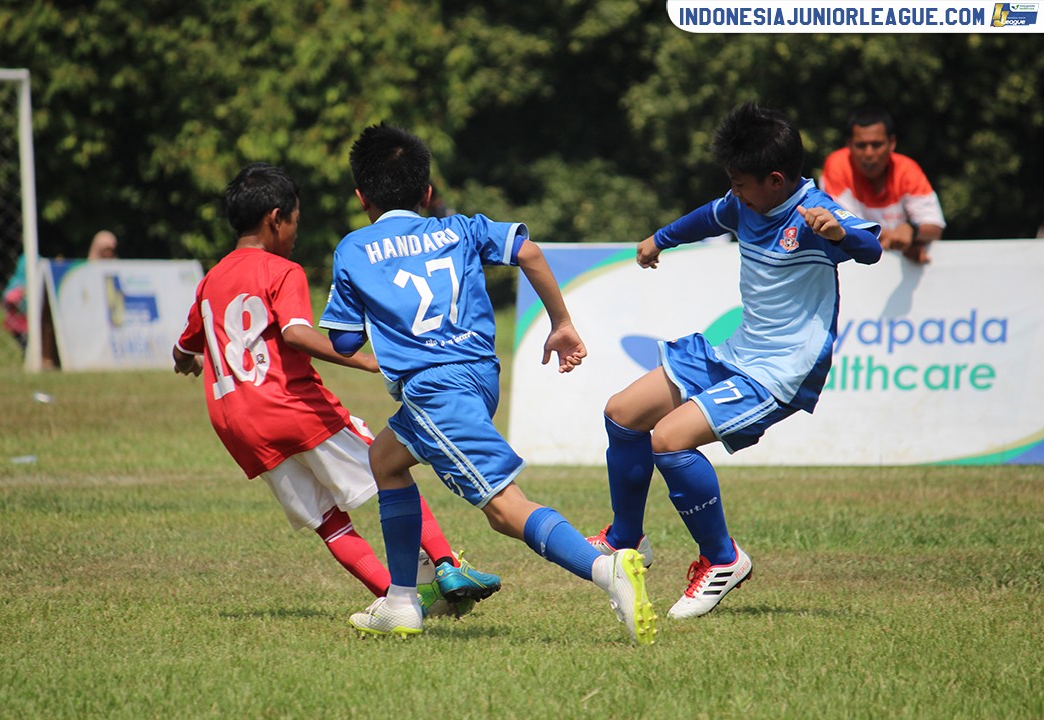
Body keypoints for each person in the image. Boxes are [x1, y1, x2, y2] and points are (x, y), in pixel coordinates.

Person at [319, 124, 656, 644]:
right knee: (385, 459)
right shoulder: (460, 228)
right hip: (479, 377)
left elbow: (342, 342)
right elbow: (530, 253)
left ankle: (605, 569)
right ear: (427, 193)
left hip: (434, 389)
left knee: (503, 510)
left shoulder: (354, 249)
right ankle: (402, 601)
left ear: (361, 196)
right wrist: (562, 324)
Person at [585, 103, 882, 621]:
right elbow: (710, 215)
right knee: (622, 412)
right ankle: (626, 540)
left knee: (668, 441)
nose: (735, 193)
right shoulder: (744, 204)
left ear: (774, 179)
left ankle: (723, 560)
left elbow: (870, 247)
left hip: (781, 370)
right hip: (735, 351)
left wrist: (838, 233)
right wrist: (661, 238)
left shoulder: (814, 214)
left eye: (741, 183)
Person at [172, 162, 501, 619]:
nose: (294, 233)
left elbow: (184, 346)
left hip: (237, 424)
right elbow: (296, 333)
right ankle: (446, 564)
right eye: (294, 223)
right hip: (291, 406)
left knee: (328, 522)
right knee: (388, 467)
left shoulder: (210, 280)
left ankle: (397, 598)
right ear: (275, 218)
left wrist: (186, 360)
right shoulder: (281, 270)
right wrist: (364, 359)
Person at [820, 106, 945, 264]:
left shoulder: (907, 169)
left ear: (892, 143)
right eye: (861, 145)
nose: (869, 154)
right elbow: (847, 228)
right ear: (849, 144)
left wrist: (911, 231)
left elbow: (935, 227)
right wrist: (902, 240)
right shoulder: (837, 166)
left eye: (876, 144)